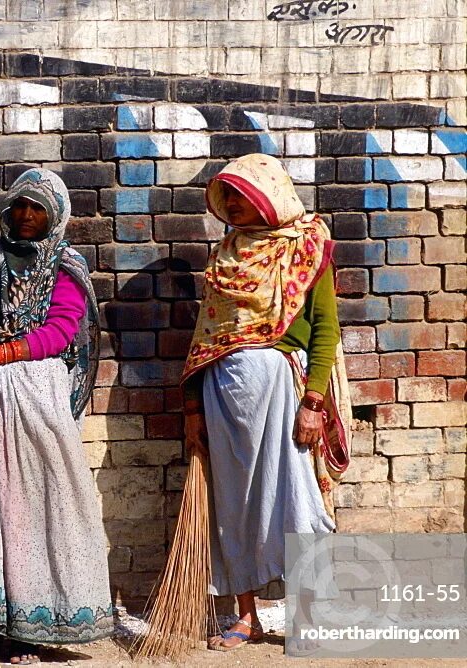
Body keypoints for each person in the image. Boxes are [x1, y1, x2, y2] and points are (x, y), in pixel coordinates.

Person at [0, 169, 114, 664]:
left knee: (39, 502)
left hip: (39, 396)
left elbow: (59, 334)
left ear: (56, 214)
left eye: (38, 208)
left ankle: (35, 625)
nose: (27, 216)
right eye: (19, 206)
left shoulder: (66, 265)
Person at [180, 154, 342, 651]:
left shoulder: (308, 247)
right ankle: (245, 616)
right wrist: (191, 409)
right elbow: (204, 335)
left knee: (296, 499)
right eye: (227, 196)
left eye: (242, 194)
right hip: (223, 395)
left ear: (270, 193)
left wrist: (313, 401)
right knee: (233, 505)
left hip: (281, 390)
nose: (232, 204)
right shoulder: (224, 257)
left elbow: (326, 330)